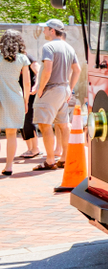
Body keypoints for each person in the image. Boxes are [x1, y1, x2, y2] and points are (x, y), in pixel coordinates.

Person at [32, 19, 80, 171]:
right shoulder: (69, 48)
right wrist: (69, 88)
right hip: (64, 89)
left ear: (52, 30)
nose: (44, 31)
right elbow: (77, 70)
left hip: (51, 90)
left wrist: (40, 88)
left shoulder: (48, 46)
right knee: (63, 125)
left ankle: (50, 160)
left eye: (45, 29)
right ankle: (64, 158)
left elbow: (47, 70)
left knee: (44, 125)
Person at [0, 30, 31, 176]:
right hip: (14, 98)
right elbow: (27, 83)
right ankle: (9, 166)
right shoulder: (23, 59)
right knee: (11, 134)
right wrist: (25, 102)